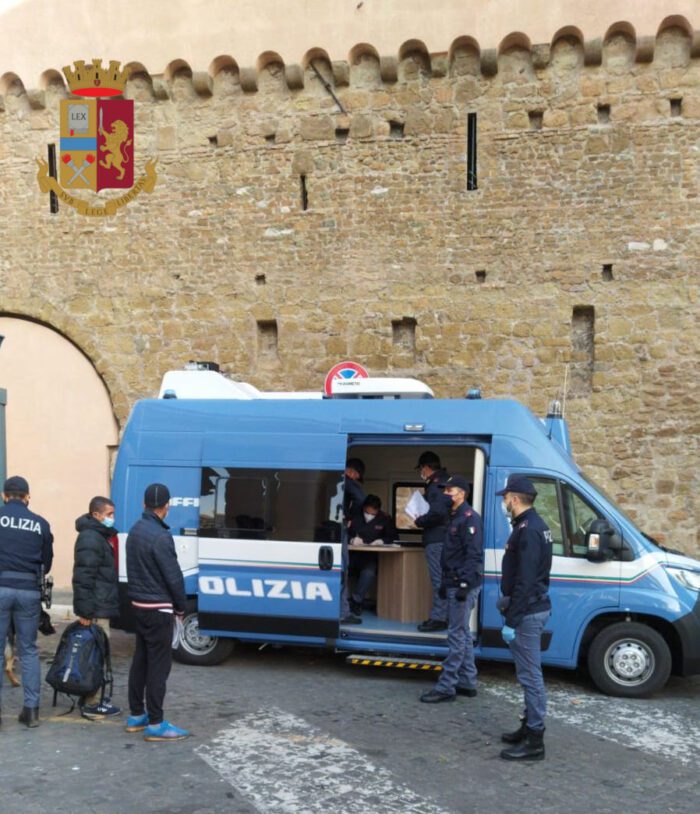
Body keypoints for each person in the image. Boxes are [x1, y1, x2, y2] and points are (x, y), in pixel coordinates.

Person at [125, 483, 189, 741]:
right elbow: (173, 576)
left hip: (139, 605)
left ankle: (136, 715)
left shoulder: (135, 531)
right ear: (166, 507)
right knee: (159, 666)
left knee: (140, 660)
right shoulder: (161, 536)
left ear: (144, 505)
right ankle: (156, 722)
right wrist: (181, 606)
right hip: (158, 608)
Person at [496, 474, 553, 761]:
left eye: (506, 497)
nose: (504, 501)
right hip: (529, 608)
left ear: (515, 499)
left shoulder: (528, 529)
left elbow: (526, 581)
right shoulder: (532, 525)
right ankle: (526, 726)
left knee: (531, 677)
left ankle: (535, 741)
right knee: (527, 674)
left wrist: (511, 620)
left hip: (528, 612)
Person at [420, 475, 483, 703]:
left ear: (462, 494)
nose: (446, 494)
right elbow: (451, 555)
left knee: (455, 635)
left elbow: (473, 555)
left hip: (462, 585)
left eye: (450, 491)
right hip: (454, 582)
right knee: (463, 633)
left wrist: (464, 585)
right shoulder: (455, 517)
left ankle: (447, 686)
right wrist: (446, 585)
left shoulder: (469, 518)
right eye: (444, 491)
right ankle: (467, 681)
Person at [0, 475, 54, 727]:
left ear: (4, 495)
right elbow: (47, 562)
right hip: (29, 591)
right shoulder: (40, 524)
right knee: (29, 650)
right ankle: (31, 711)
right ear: (26, 497)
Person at [72, 496, 121, 718]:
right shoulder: (91, 538)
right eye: (109, 514)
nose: (112, 518)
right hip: (96, 608)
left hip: (100, 604)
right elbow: (83, 576)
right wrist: (84, 612)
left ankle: (92, 697)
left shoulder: (98, 536)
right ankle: (92, 703)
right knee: (96, 658)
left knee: (98, 656)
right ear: (96, 515)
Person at [413, 452, 451, 632]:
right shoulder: (443, 482)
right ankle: (443, 616)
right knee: (442, 580)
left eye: (421, 469)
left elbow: (437, 514)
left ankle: (439, 618)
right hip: (442, 538)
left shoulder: (436, 486)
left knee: (439, 581)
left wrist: (419, 521)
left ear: (426, 468)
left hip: (436, 539)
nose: (421, 472)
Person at [347, 495, 395, 617]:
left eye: (373, 513)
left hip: (369, 557)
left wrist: (382, 541)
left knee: (369, 573)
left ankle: (356, 601)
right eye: (367, 512)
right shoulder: (354, 516)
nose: (370, 515)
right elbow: (342, 533)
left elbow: (392, 537)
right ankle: (340, 603)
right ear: (364, 508)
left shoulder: (385, 519)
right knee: (340, 571)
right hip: (351, 555)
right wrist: (351, 539)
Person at [340, 458, 366, 625]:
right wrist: (349, 518)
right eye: (357, 476)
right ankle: (343, 613)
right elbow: (361, 499)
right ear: (352, 472)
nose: (355, 479)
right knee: (342, 572)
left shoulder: (331, 481)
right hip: (338, 531)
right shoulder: (347, 481)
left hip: (324, 529)